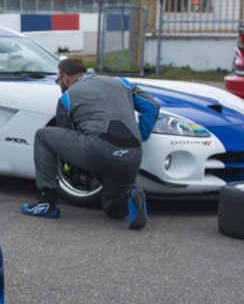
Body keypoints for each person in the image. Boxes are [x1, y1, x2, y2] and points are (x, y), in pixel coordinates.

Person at [21, 56, 157, 229]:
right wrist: (140, 136)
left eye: (58, 81)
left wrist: (74, 167)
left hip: (100, 150)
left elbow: (68, 136)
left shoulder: (67, 98)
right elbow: (152, 106)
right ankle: (131, 198)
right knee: (111, 206)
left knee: (43, 136)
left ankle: (47, 203)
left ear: (65, 78)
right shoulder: (122, 83)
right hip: (133, 153)